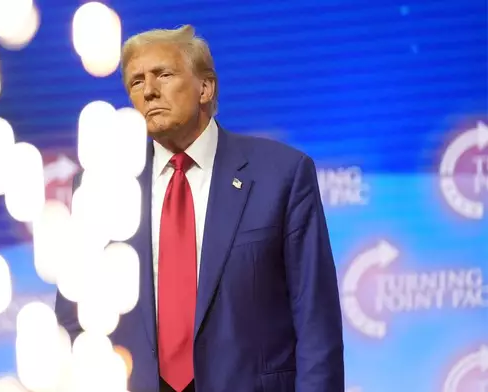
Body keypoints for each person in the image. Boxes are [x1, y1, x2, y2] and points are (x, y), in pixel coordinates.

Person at [55, 25, 344, 392]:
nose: (148, 91)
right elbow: (74, 316)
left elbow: (316, 322)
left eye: (163, 74)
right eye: (136, 82)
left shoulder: (282, 175)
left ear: (205, 87)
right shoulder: (104, 186)